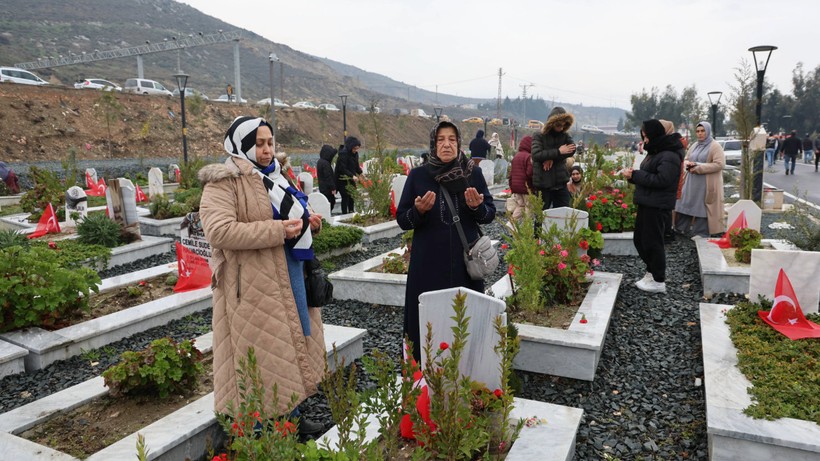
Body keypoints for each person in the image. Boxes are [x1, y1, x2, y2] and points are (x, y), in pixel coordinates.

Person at [198, 116, 326, 435]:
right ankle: (259, 429)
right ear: (242, 146)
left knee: (290, 341)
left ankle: (292, 418)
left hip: (289, 271)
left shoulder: (278, 176)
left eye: (270, 143)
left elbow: (293, 212)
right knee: (259, 352)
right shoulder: (224, 181)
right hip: (252, 283)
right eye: (259, 144)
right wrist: (276, 230)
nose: (267, 150)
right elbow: (219, 231)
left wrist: (307, 222)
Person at [396, 120, 496, 361]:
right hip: (427, 264)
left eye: (452, 139)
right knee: (427, 320)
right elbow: (403, 219)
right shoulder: (419, 175)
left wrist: (477, 207)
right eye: (441, 139)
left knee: (464, 318)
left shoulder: (473, 173)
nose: (447, 144)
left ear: (459, 143)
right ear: (433, 144)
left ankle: (466, 369)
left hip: (464, 263)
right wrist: (418, 211)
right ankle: (424, 373)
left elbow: (489, 214)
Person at [622, 119, 683, 294]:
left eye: (646, 134)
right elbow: (650, 175)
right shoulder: (657, 151)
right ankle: (651, 271)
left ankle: (658, 280)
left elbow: (662, 180)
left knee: (653, 242)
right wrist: (634, 176)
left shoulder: (669, 155)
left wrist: (636, 175)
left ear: (655, 134)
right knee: (641, 240)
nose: (644, 138)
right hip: (648, 202)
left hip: (657, 205)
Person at [674, 121, 725, 237]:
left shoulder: (715, 146)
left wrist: (699, 167)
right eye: (698, 131)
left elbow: (720, 164)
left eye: (702, 131)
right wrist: (688, 164)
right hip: (691, 181)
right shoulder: (695, 145)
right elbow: (686, 158)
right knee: (685, 203)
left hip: (706, 183)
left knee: (702, 206)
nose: (700, 134)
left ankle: (700, 232)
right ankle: (681, 228)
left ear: (708, 131)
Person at [531, 106, 577, 209]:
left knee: (564, 214)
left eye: (564, 125)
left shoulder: (564, 135)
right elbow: (536, 154)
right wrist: (558, 151)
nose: (561, 128)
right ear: (552, 123)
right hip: (543, 184)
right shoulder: (539, 135)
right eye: (559, 125)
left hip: (560, 183)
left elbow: (572, 149)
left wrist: (552, 157)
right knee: (541, 217)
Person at [659, 119, 686, 243]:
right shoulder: (672, 142)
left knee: (666, 208)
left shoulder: (671, 144)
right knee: (666, 208)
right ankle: (667, 232)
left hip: (670, 180)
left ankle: (667, 233)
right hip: (671, 179)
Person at [507, 135, 533, 221]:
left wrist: (511, 186)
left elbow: (511, 174)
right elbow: (530, 173)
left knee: (520, 206)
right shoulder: (528, 157)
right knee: (529, 207)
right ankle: (527, 228)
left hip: (516, 187)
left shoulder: (516, 156)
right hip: (526, 188)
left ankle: (511, 225)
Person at [334, 136, 363, 213]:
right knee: (345, 196)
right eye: (354, 148)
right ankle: (344, 213)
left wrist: (360, 173)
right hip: (342, 179)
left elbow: (356, 166)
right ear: (350, 147)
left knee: (352, 196)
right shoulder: (343, 154)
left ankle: (351, 211)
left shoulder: (355, 154)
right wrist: (352, 176)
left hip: (351, 179)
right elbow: (342, 169)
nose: (356, 150)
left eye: (357, 148)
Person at [316, 144, 337, 212]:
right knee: (331, 202)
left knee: (327, 202)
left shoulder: (320, 161)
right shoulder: (325, 164)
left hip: (322, 186)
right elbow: (328, 177)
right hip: (327, 188)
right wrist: (333, 188)